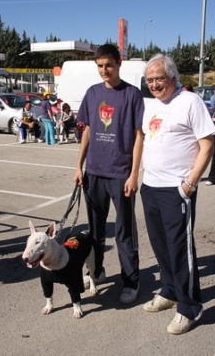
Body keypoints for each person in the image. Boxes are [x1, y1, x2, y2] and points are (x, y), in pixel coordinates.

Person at [140, 53, 215, 335]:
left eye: (159, 78)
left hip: (177, 190)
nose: (155, 84)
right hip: (151, 187)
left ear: (173, 76)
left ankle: (189, 306)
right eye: (150, 80)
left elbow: (207, 144)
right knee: (160, 245)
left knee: (180, 248)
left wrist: (190, 184)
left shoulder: (190, 101)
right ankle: (169, 291)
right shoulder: (152, 106)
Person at [73, 44, 144, 304]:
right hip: (94, 173)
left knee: (124, 232)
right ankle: (98, 271)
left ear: (119, 63)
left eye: (109, 65)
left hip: (120, 174)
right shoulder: (92, 93)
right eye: (100, 66)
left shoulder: (132, 94)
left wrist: (134, 174)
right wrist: (78, 166)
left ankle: (131, 281)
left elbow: (138, 137)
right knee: (95, 231)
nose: (104, 70)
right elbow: (88, 132)